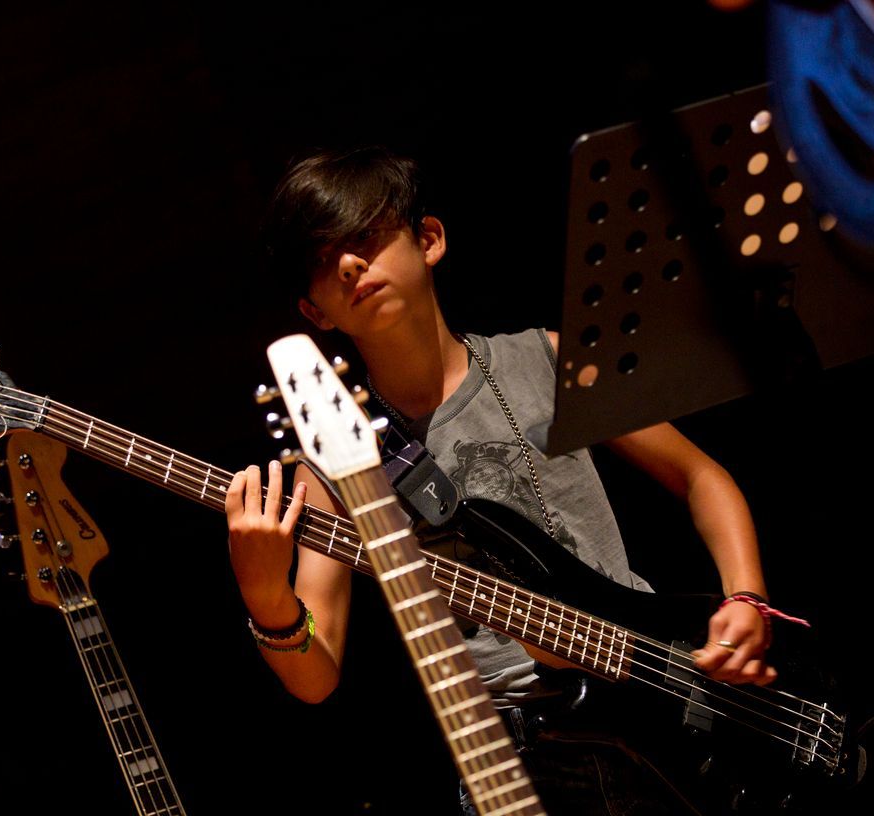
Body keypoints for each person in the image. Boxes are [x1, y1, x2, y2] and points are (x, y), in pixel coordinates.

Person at [223, 145, 782, 815]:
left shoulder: (545, 357)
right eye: (321, 261)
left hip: (663, 691)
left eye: (366, 236)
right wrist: (264, 593)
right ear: (315, 314)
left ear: (428, 239)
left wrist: (746, 599)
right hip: (522, 757)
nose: (348, 264)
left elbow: (699, 477)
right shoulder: (336, 467)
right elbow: (317, 677)